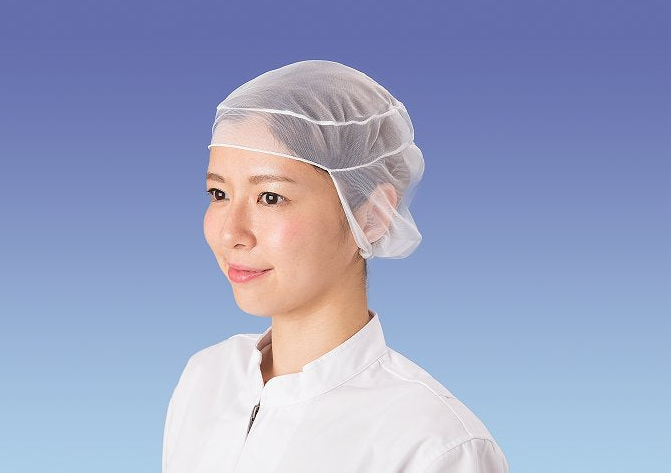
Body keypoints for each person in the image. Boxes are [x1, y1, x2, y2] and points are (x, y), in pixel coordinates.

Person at [162, 60, 509, 472]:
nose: (230, 233)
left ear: (372, 215)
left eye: (270, 197)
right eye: (218, 193)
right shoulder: (207, 378)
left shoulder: (434, 446)